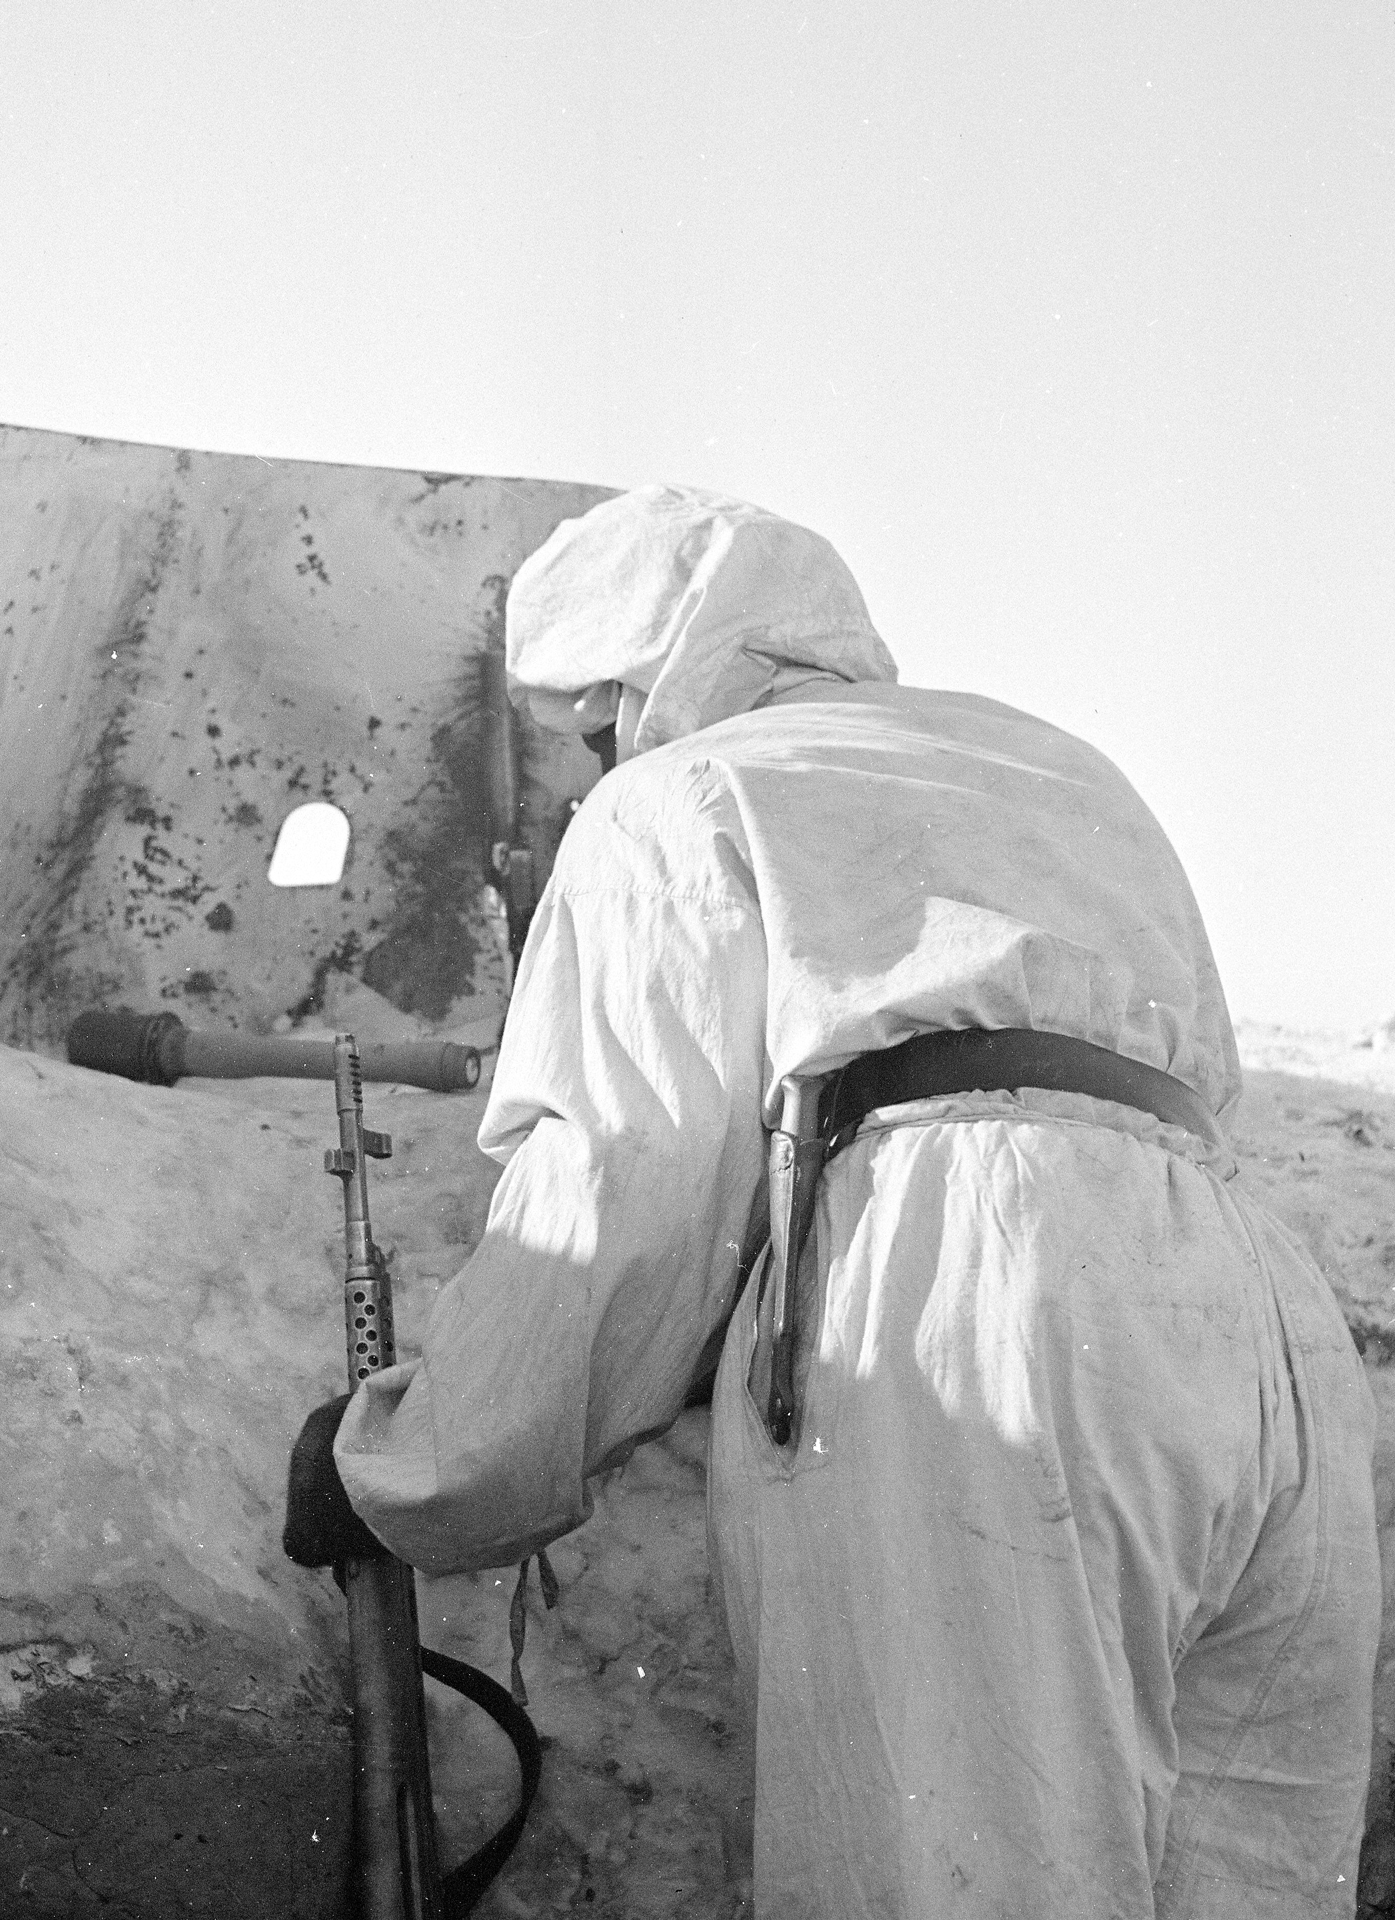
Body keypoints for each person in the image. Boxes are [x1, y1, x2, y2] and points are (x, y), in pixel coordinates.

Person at [283, 484, 1379, 1918]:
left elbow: (620, 1196)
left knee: (968, 1876)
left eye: (597, 719)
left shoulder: (681, 795)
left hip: (973, 1307)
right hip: (1252, 1313)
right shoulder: (1064, 773)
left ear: (651, 672)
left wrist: (408, 1467)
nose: (600, 754)